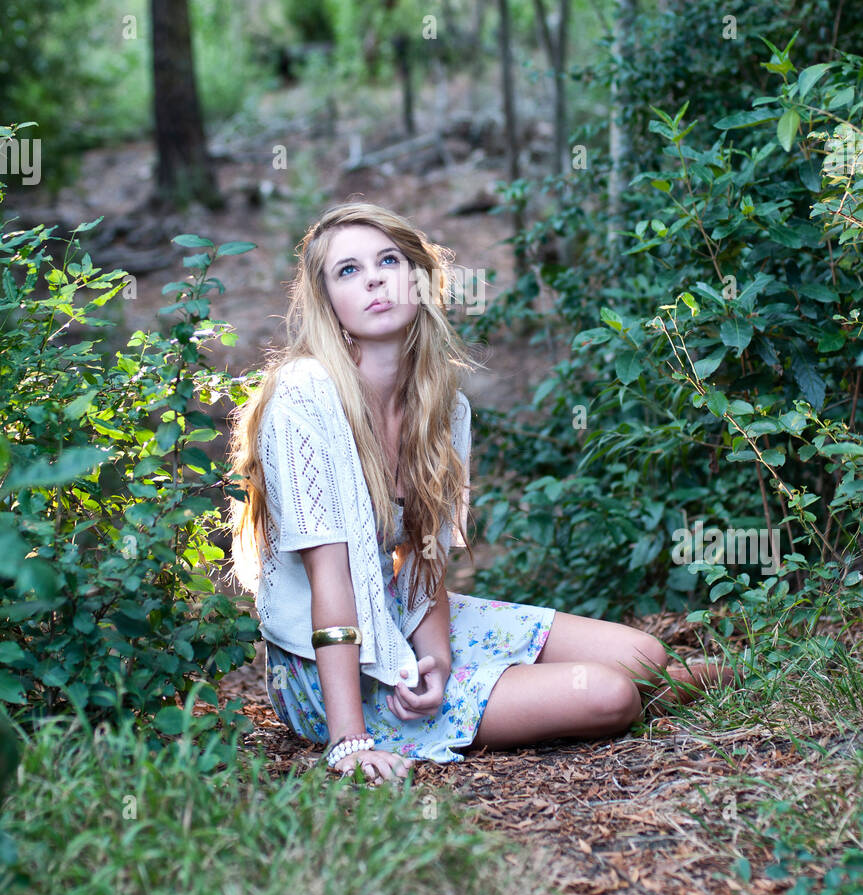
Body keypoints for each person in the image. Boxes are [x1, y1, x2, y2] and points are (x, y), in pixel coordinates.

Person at [227, 200, 733, 786]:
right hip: (328, 669)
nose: (372, 278)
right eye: (347, 270)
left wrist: (436, 658)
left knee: (644, 656)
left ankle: (730, 672)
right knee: (609, 694)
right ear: (329, 304)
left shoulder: (441, 407)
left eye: (388, 260)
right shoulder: (304, 397)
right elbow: (332, 582)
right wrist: (349, 742)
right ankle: (704, 677)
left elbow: (422, 559)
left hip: (403, 618)